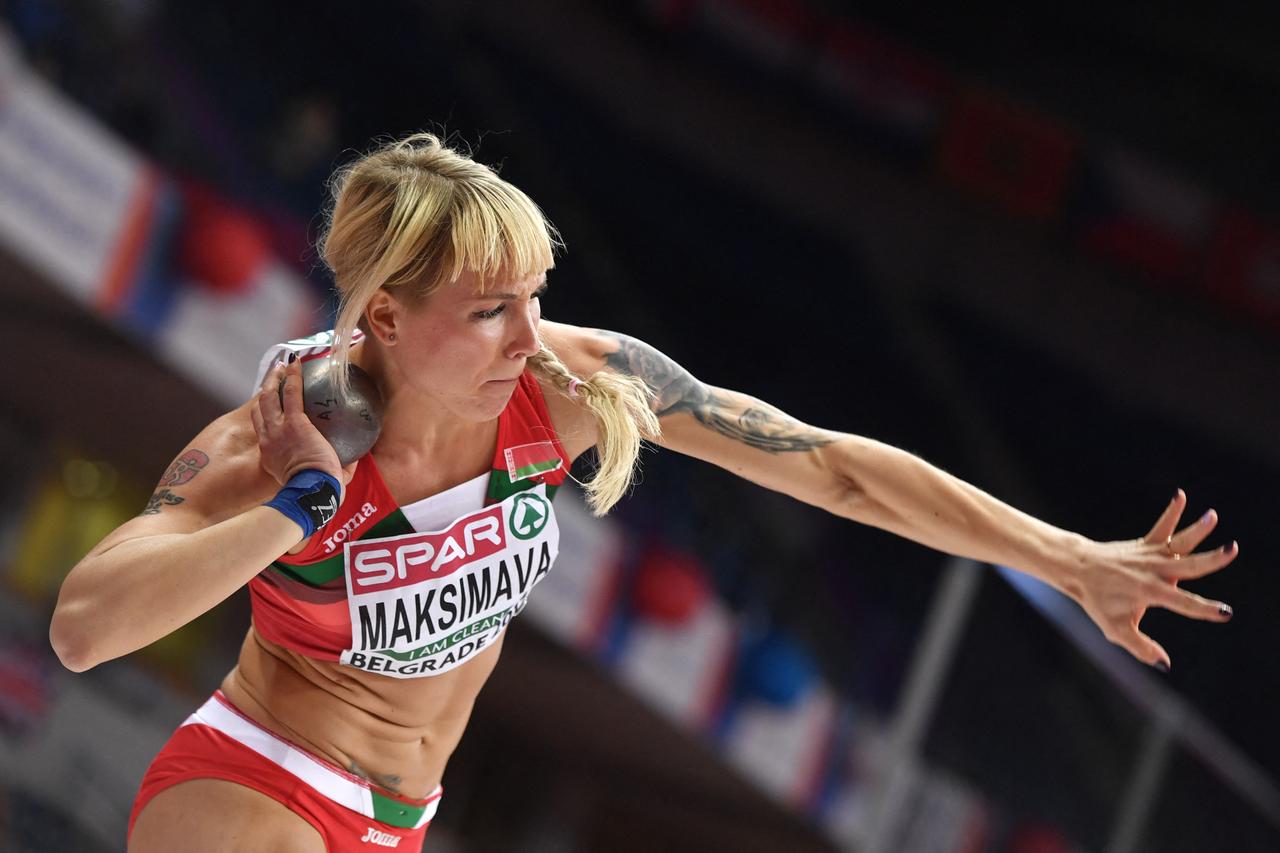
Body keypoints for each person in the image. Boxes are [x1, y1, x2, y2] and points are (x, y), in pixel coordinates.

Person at [49, 133, 1238, 853]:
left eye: (534, 292)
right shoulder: (296, 434)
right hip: (258, 784)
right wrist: (292, 514)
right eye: (489, 309)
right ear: (386, 318)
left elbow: (829, 465)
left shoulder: (569, 385)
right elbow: (87, 626)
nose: (532, 332)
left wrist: (1064, 555)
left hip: (399, 817)